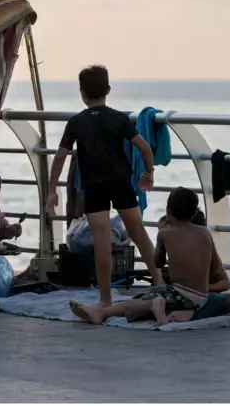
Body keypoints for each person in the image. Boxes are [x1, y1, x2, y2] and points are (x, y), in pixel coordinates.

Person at [44, 65, 164, 307]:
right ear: (108, 89)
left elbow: (59, 156)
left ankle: (105, 299)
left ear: (82, 93)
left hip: (94, 186)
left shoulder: (76, 122)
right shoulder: (118, 118)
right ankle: (160, 286)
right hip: (120, 182)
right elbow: (144, 148)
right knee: (138, 233)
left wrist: (51, 192)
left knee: (102, 241)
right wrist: (148, 173)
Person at [70, 187, 230, 326]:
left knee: (144, 300)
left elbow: (157, 263)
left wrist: (161, 234)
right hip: (199, 297)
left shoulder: (166, 234)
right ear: (195, 212)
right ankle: (170, 311)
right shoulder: (205, 233)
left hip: (183, 295)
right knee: (155, 297)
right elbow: (223, 283)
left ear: (168, 211)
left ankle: (104, 313)